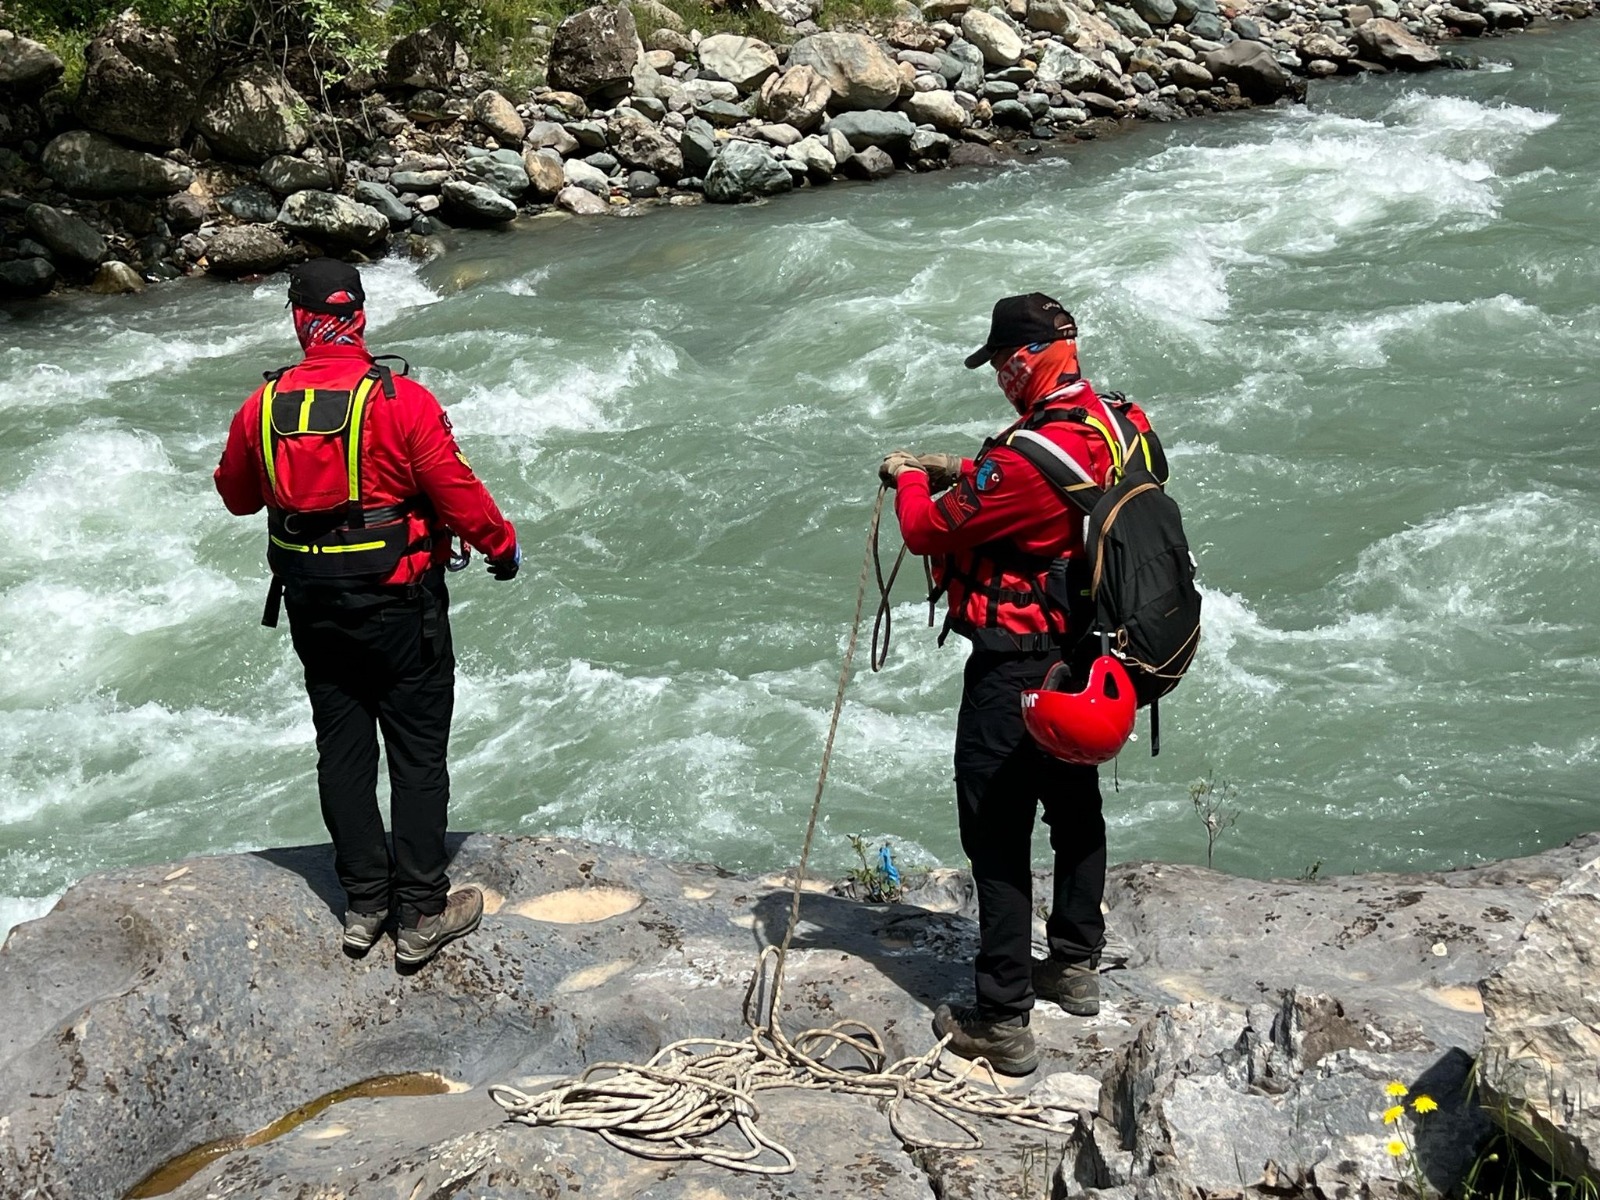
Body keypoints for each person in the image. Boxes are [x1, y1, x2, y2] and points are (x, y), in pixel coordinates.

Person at [879, 293, 1159, 1075]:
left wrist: (910, 477)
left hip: (1014, 667)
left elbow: (929, 529)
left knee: (996, 832)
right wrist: (960, 467)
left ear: (1027, 358)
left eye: (1003, 364)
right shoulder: (1118, 422)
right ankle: (1073, 964)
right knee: (1075, 809)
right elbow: (1040, 487)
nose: (999, 379)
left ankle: (1000, 1017)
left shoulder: (1026, 457)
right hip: (1088, 656)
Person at [214, 258, 521, 968]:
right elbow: (457, 491)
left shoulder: (261, 408)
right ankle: (419, 911)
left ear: (299, 320)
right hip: (402, 604)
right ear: (360, 318)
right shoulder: (403, 401)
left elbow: (235, 496)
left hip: (312, 608)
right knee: (416, 754)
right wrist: (502, 548)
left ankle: (363, 902)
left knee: (343, 747)